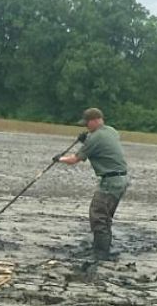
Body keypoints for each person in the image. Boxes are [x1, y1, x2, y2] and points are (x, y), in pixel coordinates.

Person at [55, 108, 129, 261]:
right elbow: (101, 140)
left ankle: (101, 254)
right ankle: (103, 249)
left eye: (87, 124)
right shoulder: (112, 131)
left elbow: (74, 159)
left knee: (98, 217)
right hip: (121, 180)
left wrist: (59, 159)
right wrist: (87, 137)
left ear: (95, 120)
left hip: (110, 182)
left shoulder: (94, 138)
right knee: (105, 218)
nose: (86, 127)